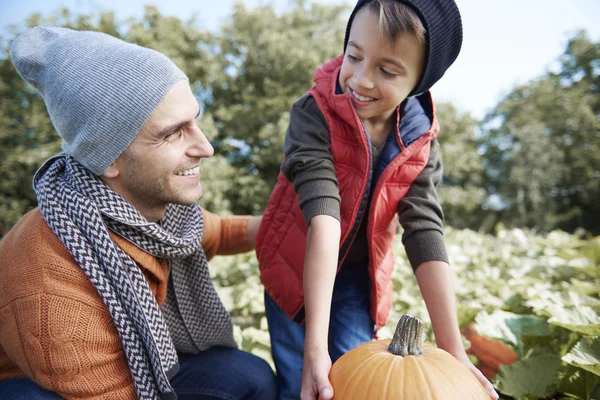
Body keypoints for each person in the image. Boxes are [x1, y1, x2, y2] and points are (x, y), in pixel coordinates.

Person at [0, 26, 277, 400]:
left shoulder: (158, 218)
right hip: (43, 385)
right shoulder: (50, 289)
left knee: (249, 376)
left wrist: (297, 227)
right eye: (173, 133)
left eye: (195, 120)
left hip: (130, 367)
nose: (206, 147)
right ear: (107, 158)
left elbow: (221, 232)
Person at [255, 0, 499, 399]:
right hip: (295, 264)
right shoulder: (313, 112)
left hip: (357, 277)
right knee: (301, 374)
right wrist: (314, 350)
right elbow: (324, 217)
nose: (362, 79)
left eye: (387, 70)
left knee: (357, 373)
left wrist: (453, 347)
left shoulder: (420, 141)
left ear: (420, 80)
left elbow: (424, 231)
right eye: (354, 55)